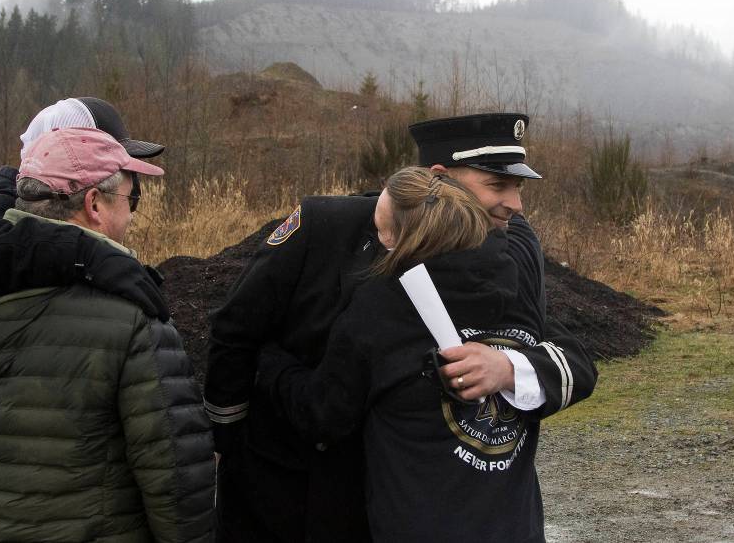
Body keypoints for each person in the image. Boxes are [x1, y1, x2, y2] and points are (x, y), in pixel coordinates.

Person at [204, 112, 597, 542]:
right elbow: (237, 331)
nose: (515, 205)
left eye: (517, 187)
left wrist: (506, 368)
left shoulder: (507, 255)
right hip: (294, 480)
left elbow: (548, 344)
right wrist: (226, 438)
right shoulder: (325, 226)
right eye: (497, 185)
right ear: (440, 179)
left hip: (397, 494)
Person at [0, 128, 215, 541]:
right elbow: (175, 478)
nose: (131, 215)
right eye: (130, 200)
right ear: (93, 203)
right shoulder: (133, 312)